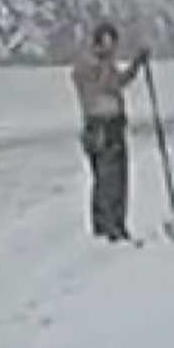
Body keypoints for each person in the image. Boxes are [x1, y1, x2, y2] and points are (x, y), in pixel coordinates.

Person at [70, 22, 150, 242]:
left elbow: (118, 82)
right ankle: (106, 229)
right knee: (107, 181)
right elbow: (104, 84)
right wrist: (106, 63)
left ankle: (117, 225)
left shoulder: (106, 65)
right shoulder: (87, 66)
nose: (112, 50)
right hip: (99, 128)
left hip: (114, 125)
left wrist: (136, 65)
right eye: (108, 44)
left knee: (119, 179)